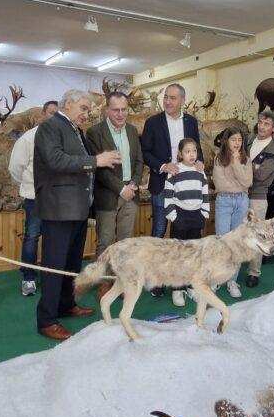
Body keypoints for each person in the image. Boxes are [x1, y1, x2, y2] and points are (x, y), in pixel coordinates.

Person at [33, 89, 121, 341]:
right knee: (54, 267)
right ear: (68, 104)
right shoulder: (50, 126)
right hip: (59, 210)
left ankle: (65, 304)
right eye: (83, 108)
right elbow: (55, 160)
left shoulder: (75, 130)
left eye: (88, 110)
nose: (86, 114)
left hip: (77, 210)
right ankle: (47, 320)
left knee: (71, 264)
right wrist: (95, 161)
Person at [140, 83, 202, 297]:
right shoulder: (152, 122)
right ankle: (155, 278)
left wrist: (199, 161)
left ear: (183, 100)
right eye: (166, 97)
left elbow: (197, 148)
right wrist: (163, 165)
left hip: (187, 187)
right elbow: (145, 152)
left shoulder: (191, 122)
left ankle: (183, 278)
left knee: (184, 233)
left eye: (172, 98)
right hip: (161, 183)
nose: (167, 101)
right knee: (159, 230)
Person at [8, 100, 59, 296]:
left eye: (58, 113)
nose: (54, 117)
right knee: (31, 236)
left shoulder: (61, 138)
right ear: (43, 114)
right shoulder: (28, 138)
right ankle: (28, 278)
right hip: (34, 198)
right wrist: (29, 185)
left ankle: (49, 276)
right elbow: (15, 168)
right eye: (51, 112)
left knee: (53, 238)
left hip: (56, 198)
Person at [85, 90, 143, 258]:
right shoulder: (94, 132)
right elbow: (99, 168)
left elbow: (139, 161)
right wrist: (121, 189)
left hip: (131, 195)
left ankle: (121, 274)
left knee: (126, 243)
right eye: (116, 110)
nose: (120, 114)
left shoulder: (132, 130)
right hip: (107, 196)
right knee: (106, 243)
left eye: (124, 109)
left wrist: (133, 183)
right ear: (107, 110)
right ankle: (103, 275)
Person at [162, 137, 210, 307]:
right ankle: (177, 289)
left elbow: (205, 193)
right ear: (180, 154)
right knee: (178, 255)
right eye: (187, 151)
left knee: (194, 255)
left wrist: (204, 213)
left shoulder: (200, 171)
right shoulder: (174, 171)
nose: (192, 154)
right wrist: (174, 217)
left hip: (196, 216)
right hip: (180, 217)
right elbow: (168, 197)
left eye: (194, 151)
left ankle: (191, 286)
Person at [211, 127, 253, 298]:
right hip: (224, 201)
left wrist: (236, 163)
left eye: (239, 140)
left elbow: (247, 182)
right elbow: (220, 184)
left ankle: (232, 281)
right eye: (233, 139)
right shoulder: (219, 159)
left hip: (242, 201)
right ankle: (217, 279)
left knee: (237, 243)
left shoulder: (245, 159)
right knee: (222, 241)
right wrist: (238, 184)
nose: (237, 143)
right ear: (226, 141)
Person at [245, 110, 274, 287]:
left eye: (267, 124)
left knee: (258, 236)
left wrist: (242, 167)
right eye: (260, 122)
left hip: (258, 196)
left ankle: (254, 272)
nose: (261, 126)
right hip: (240, 194)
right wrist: (252, 167)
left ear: (273, 128)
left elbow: (262, 175)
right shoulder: (249, 140)